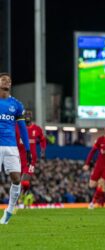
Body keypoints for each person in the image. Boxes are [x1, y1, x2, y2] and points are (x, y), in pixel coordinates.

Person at [0, 72, 32, 224]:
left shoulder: (17, 105)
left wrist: (27, 149)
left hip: (11, 146)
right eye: (3, 79)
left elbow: (23, 128)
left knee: (16, 179)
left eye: (8, 80)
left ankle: (9, 211)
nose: (6, 81)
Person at [15, 110, 46, 194]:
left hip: (31, 159)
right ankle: (23, 194)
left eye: (29, 114)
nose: (27, 115)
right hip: (18, 158)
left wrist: (43, 150)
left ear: (32, 116)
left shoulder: (37, 129)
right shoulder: (17, 127)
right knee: (17, 181)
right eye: (26, 114)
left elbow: (43, 140)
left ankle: (21, 195)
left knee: (25, 180)